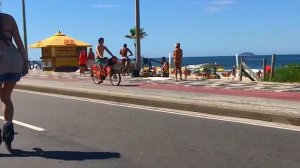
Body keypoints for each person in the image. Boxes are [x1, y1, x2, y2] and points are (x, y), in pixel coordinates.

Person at [0, 9, 28, 152]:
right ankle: (8, 131)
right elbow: (19, 42)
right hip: (13, 60)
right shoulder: (9, 19)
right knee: (6, 98)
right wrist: (25, 61)